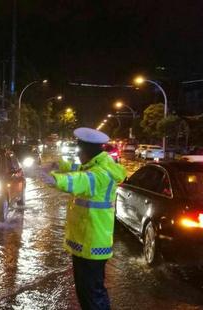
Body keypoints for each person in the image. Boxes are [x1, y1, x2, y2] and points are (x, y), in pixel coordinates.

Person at [47, 127, 126, 310]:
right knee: (88, 292)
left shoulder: (100, 173)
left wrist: (54, 179)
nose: (78, 155)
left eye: (79, 151)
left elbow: (82, 179)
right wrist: (60, 166)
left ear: (88, 152)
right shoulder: (98, 164)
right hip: (87, 240)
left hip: (93, 243)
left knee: (92, 294)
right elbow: (79, 170)